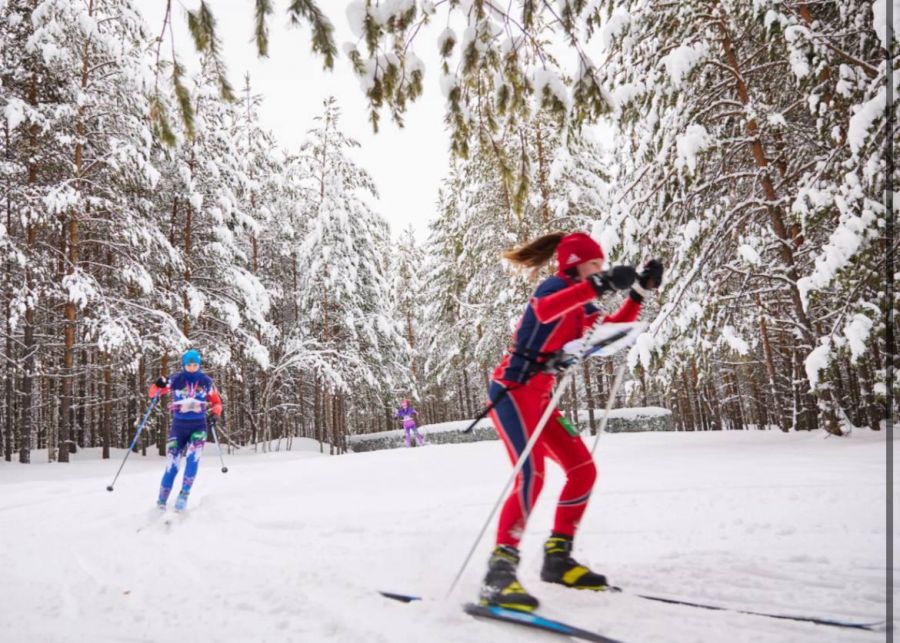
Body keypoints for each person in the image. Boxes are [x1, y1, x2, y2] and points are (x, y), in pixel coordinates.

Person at [478, 232, 662, 612]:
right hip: (512, 392)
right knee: (532, 475)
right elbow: (547, 312)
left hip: (542, 399)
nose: (600, 269)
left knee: (582, 470)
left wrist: (638, 294)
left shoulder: (584, 301)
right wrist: (601, 283)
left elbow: (608, 332)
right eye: (594, 264)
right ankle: (499, 572)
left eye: (601, 265)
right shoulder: (554, 287)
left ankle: (557, 559)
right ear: (575, 263)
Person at [149, 349, 223, 512]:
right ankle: (161, 501)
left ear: (199, 365)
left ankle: (184, 494)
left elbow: (217, 402)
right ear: (184, 365)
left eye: (195, 364)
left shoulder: (206, 381)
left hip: (198, 426)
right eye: (189, 364)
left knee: (192, 458)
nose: (192, 367)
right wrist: (158, 384)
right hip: (178, 427)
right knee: (172, 465)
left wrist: (215, 414)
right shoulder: (175, 380)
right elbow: (153, 393)